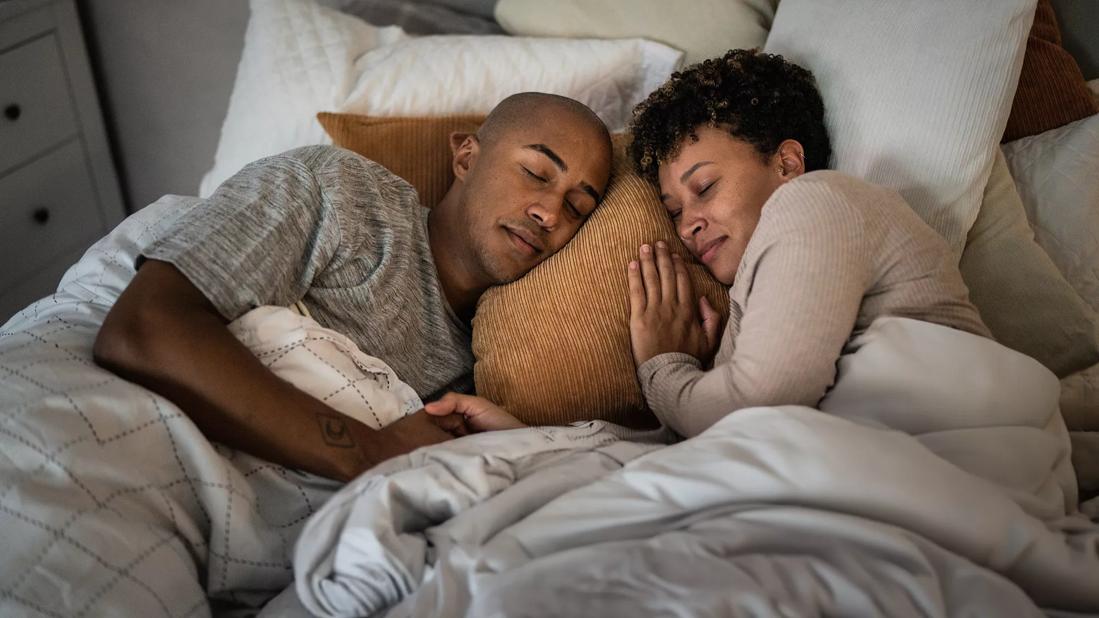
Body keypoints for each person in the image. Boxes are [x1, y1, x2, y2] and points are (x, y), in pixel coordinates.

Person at [93, 92, 613, 481]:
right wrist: (371, 453)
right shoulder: (344, 194)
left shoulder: (496, 362)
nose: (548, 213)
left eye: (577, 207)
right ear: (466, 157)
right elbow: (142, 328)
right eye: (536, 172)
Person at [623, 49, 992, 438]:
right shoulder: (761, 275)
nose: (686, 227)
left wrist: (664, 369)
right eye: (675, 211)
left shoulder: (818, 200)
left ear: (788, 164)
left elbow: (756, 406)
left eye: (705, 187)